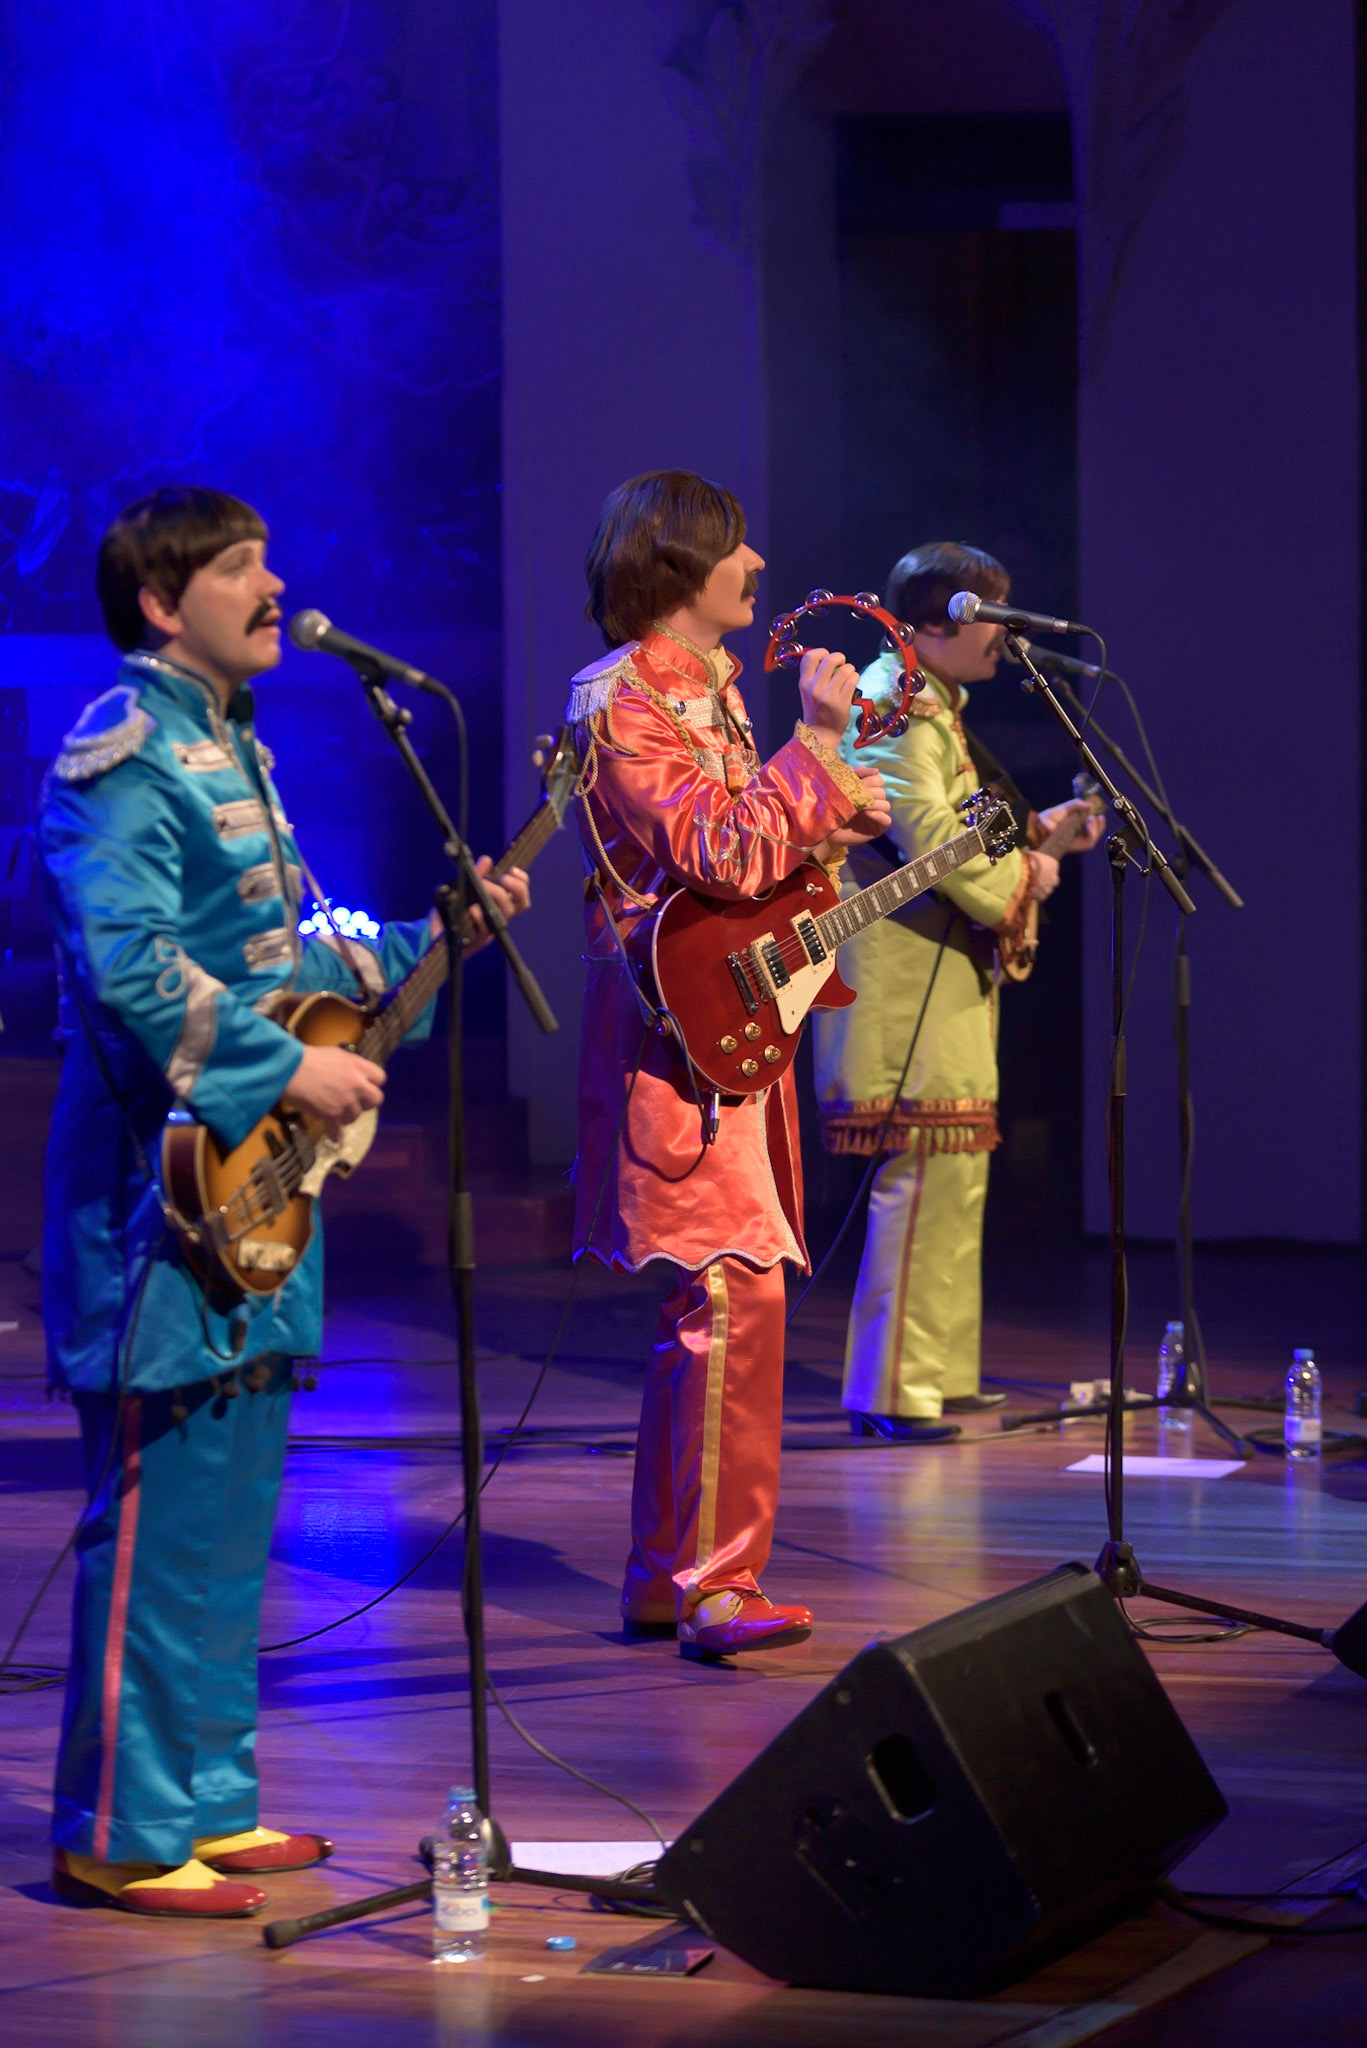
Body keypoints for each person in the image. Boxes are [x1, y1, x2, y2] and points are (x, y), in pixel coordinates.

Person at [38, 487, 528, 1917]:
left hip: (250, 1200)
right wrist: (282, 1071)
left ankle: (206, 1800)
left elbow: (300, 941)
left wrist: (425, 944)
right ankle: (121, 1829)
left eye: (267, 558)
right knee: (153, 1513)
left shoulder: (233, 746)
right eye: (239, 567)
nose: (273, 585)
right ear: (157, 599)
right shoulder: (121, 755)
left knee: (230, 1509)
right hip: (157, 1193)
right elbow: (129, 970)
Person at [567, 469, 891, 1660]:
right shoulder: (626, 700)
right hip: (678, 1049)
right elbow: (719, 850)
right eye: (737, 549)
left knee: (728, 1290)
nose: (756, 567)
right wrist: (809, 745)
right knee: (728, 1291)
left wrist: (828, 790)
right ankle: (713, 1580)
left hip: (726, 1037)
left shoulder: (700, 689)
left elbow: (752, 842)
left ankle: (675, 1574)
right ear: (679, 563)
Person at [812, 542, 1102, 1442]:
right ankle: (895, 1389)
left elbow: (960, 828)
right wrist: (1022, 876)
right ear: (937, 620)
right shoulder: (895, 699)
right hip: (899, 967)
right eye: (990, 615)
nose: (1002, 636)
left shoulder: (932, 701)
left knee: (953, 1171)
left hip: (933, 963)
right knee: (922, 1168)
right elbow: (923, 831)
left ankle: (937, 1372)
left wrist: (1035, 840)